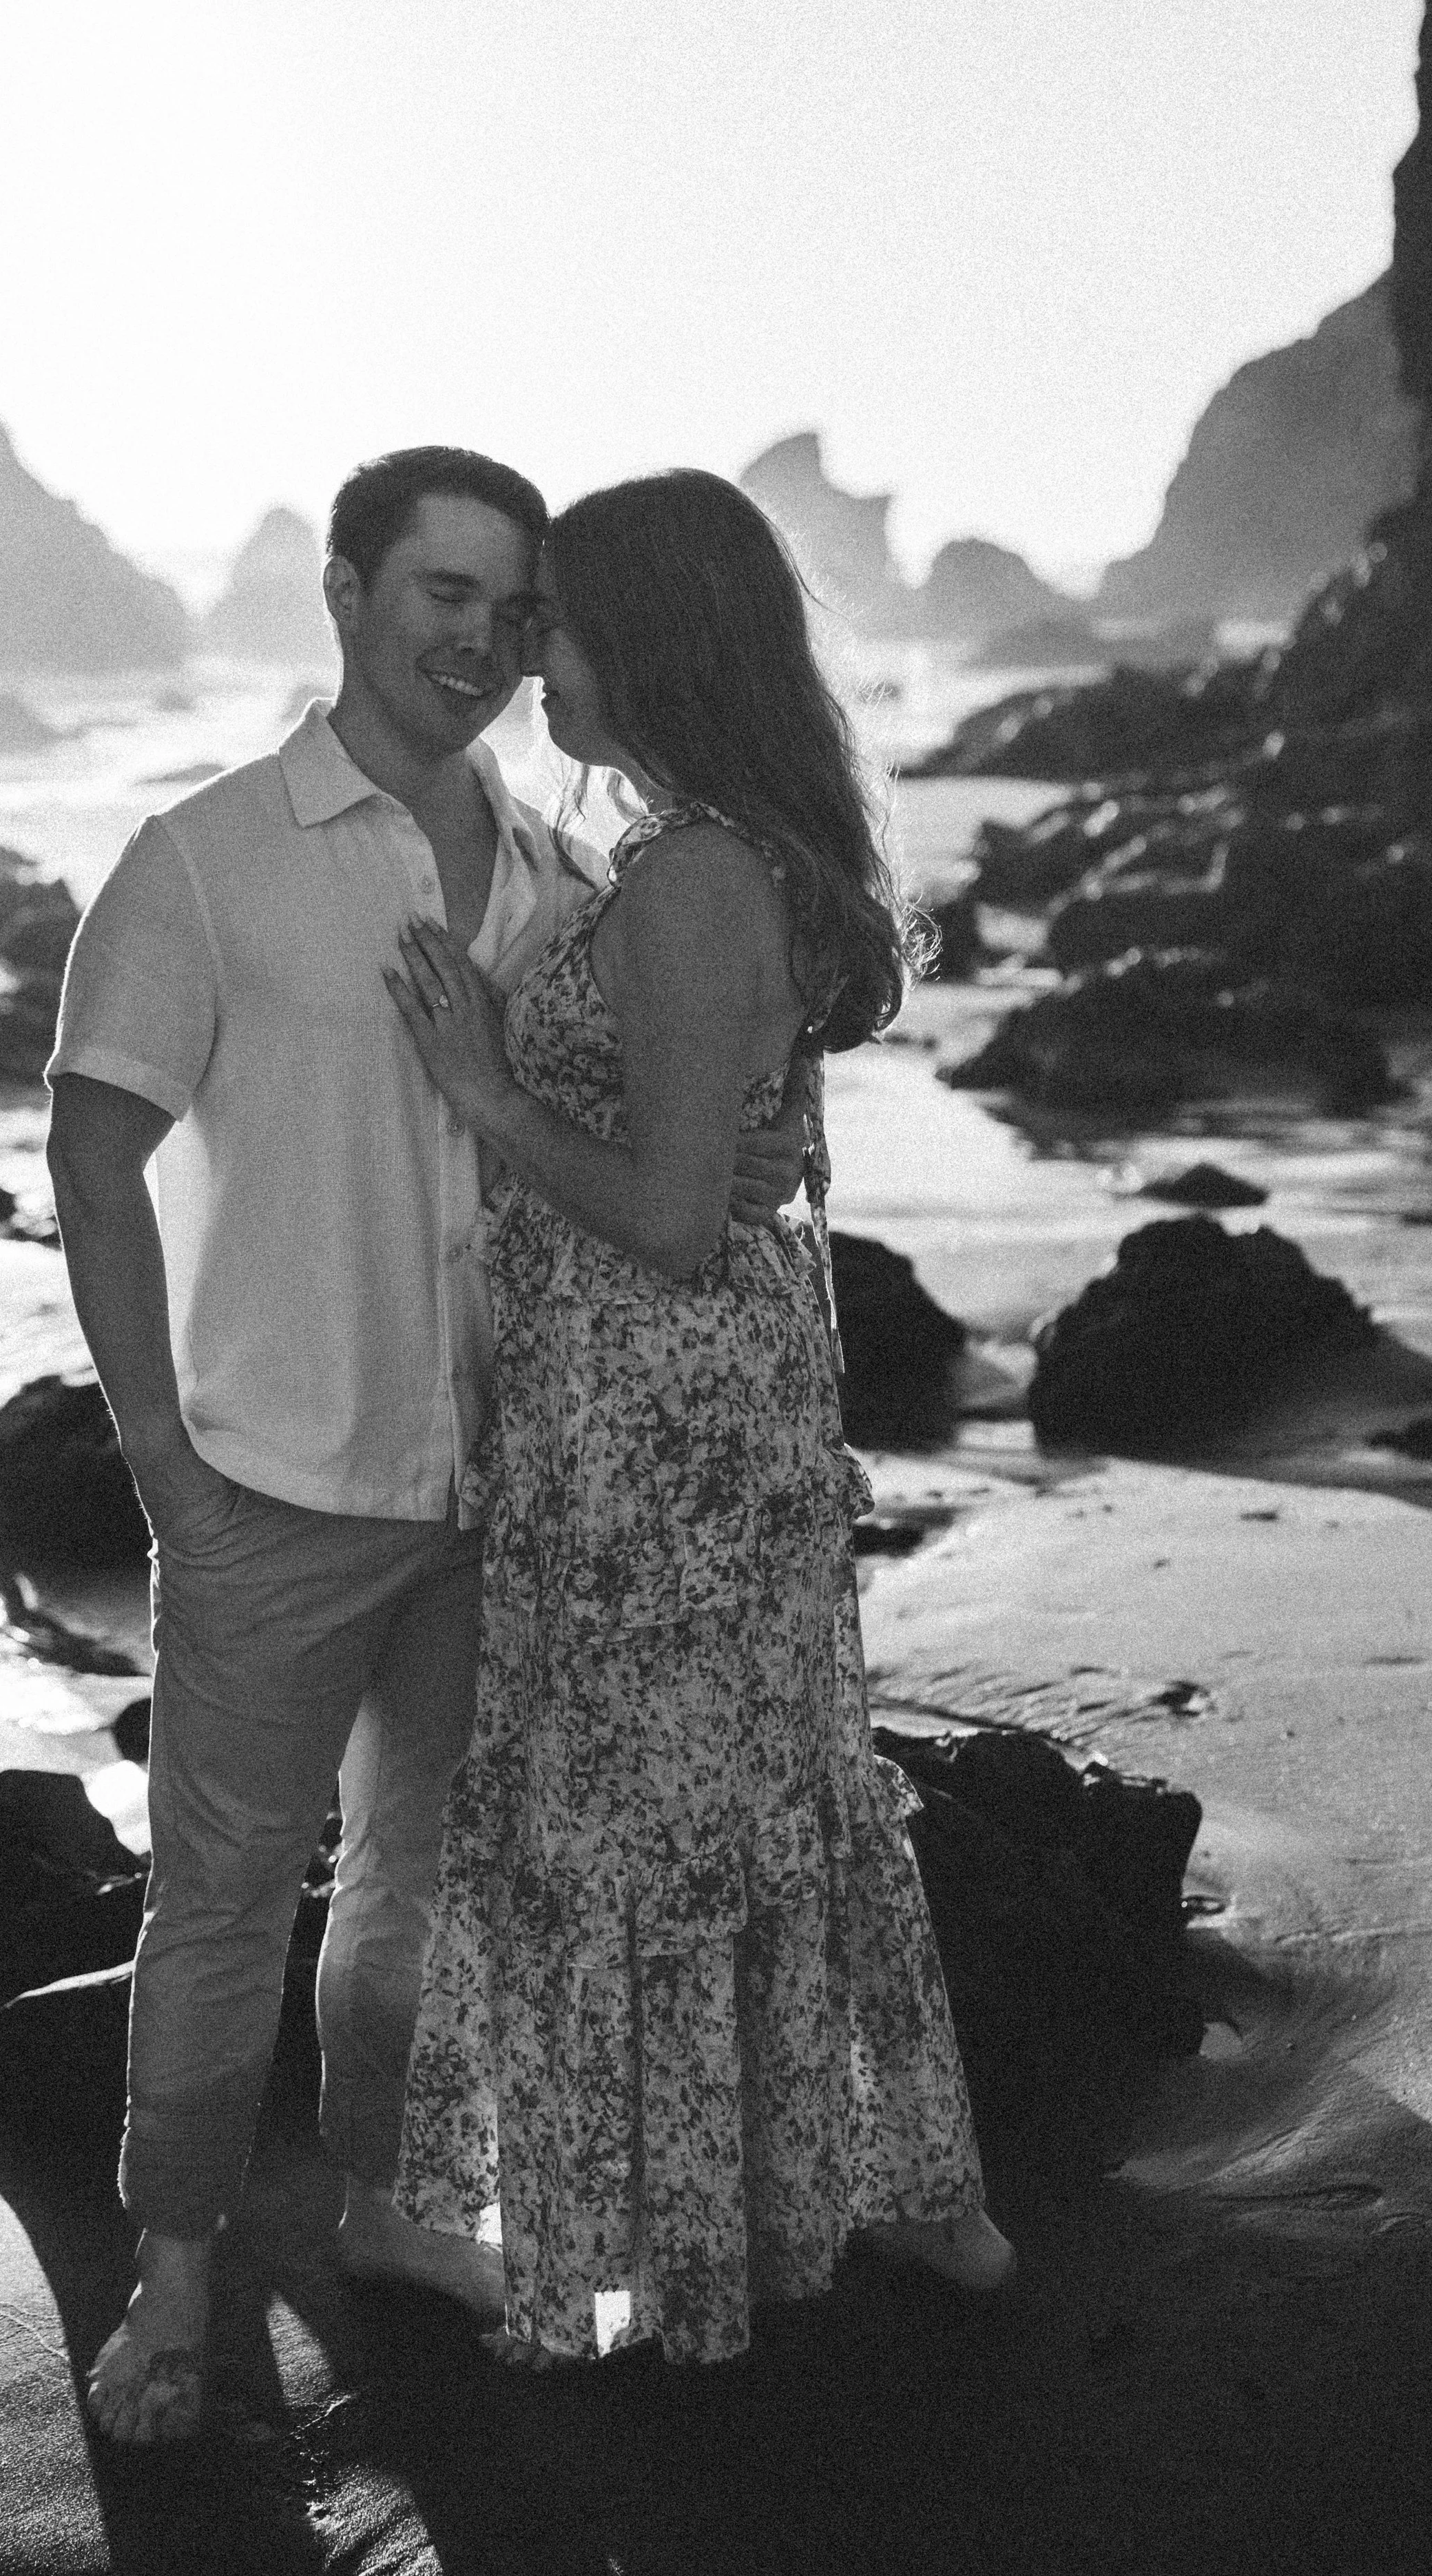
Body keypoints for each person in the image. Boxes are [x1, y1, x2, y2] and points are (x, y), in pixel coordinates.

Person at [45, 447, 805, 2443]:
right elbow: (92, 1153)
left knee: (421, 1878)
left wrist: (762, 1140)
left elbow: (678, 1113)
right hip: (271, 1488)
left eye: (508, 601)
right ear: (348, 592)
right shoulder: (205, 857)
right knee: (216, 1900)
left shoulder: (569, 871)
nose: (476, 636)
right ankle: (179, 2275)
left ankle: (389, 2202)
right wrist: (162, 1465)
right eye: (439, 591)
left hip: (507, 1486)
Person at [384, 468, 1013, 2369]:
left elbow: (664, 1209)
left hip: (655, 1416)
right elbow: (752, 1156)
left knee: (644, 1811)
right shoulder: (732, 853)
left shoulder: (687, 879)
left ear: (642, 647)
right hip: (710, 1398)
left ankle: (690, 2247)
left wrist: (485, 1092)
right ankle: (862, 2202)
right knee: (747, 1788)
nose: (524, 655)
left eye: (556, 622)